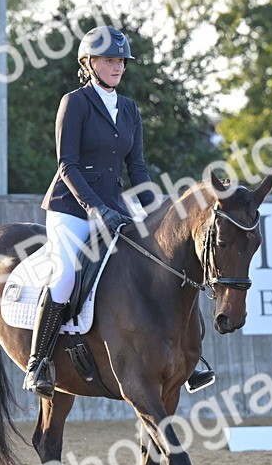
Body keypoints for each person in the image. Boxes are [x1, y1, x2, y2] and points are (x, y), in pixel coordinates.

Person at [25, 25, 215, 398]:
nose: (117, 67)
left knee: (161, 271)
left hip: (114, 208)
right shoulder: (75, 102)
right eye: (109, 60)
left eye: (121, 61)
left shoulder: (128, 109)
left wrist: (159, 215)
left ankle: (187, 360)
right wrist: (95, 208)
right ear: (90, 63)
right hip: (70, 208)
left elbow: (137, 168)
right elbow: (68, 165)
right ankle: (39, 362)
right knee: (64, 276)